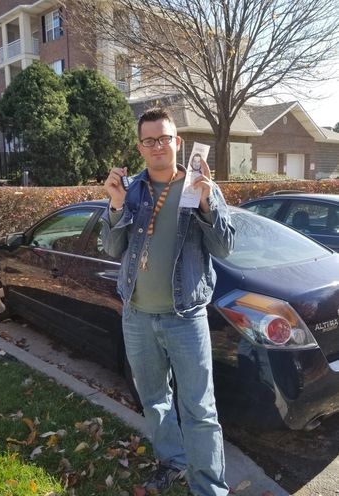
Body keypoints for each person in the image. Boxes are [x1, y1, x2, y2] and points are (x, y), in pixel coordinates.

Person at [102, 107, 234, 496]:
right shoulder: (132, 190)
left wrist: (209, 204)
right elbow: (112, 247)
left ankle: (208, 487)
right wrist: (114, 205)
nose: (157, 146)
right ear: (141, 147)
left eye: (164, 138)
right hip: (138, 317)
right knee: (155, 400)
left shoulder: (200, 186)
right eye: (149, 140)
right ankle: (173, 462)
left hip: (186, 317)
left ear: (178, 142)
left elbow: (225, 247)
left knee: (200, 409)